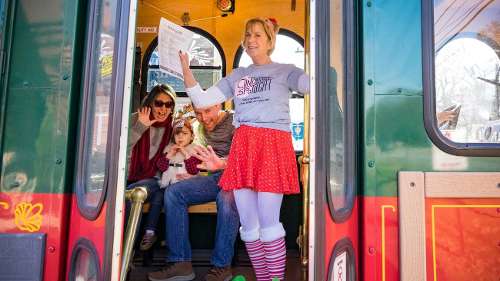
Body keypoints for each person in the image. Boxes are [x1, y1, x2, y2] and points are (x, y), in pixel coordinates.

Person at [177, 17, 309, 281]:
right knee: (249, 225)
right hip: (244, 144)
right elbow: (203, 99)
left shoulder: (286, 70)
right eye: (248, 34)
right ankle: (263, 277)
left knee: (269, 222)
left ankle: (275, 279)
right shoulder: (239, 75)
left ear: (270, 40)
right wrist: (185, 67)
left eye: (258, 35)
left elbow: (311, 87)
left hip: (273, 143)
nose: (251, 39)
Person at [148, 103, 239, 281]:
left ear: (218, 106)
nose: (203, 118)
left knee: (226, 199)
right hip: (213, 177)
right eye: (198, 113)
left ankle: (222, 266)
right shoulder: (199, 128)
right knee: (174, 192)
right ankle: (180, 262)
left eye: (207, 111)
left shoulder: (235, 121)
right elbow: (196, 159)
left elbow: (244, 155)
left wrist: (222, 163)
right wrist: (193, 174)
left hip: (237, 176)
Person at [127, 84, 176, 251]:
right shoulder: (135, 119)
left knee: (134, 194)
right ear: (150, 103)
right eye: (159, 103)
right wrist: (141, 126)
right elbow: (119, 149)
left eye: (168, 104)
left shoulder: (173, 129)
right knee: (136, 192)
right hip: (128, 176)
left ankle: (130, 251)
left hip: (155, 179)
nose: (163, 108)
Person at [157, 118, 201, 188]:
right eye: (177, 134)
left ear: (192, 137)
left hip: (185, 184)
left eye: (185, 133)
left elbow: (194, 170)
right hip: (167, 182)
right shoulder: (169, 149)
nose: (180, 136)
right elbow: (161, 168)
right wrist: (169, 155)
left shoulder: (194, 150)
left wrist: (186, 155)